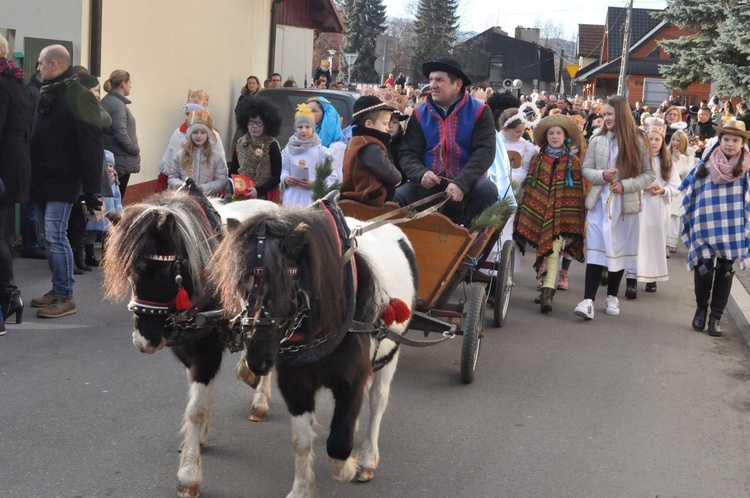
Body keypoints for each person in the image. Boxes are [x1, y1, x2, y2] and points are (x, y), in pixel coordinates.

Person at [29, 44, 103, 318]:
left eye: (39, 63)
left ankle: (65, 297)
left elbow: (92, 145)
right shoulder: (48, 92)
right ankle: (57, 289)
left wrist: (92, 190)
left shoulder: (78, 96)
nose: (37, 67)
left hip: (63, 180)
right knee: (46, 238)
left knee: (55, 236)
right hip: (41, 179)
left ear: (53, 65)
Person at [573, 95, 655, 320]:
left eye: (609, 114)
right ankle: (588, 300)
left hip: (625, 204)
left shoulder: (639, 139)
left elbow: (649, 175)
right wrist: (602, 175)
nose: (605, 118)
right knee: (597, 248)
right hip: (600, 201)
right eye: (604, 114)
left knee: (617, 248)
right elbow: (585, 169)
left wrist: (625, 185)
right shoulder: (598, 138)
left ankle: (612, 295)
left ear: (621, 114)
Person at [394, 57, 497, 226]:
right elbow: (407, 153)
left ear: (457, 84)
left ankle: (472, 248)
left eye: (439, 80)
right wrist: (421, 174)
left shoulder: (480, 112)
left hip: (468, 186)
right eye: (431, 80)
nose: (432, 85)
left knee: (487, 190)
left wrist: (461, 183)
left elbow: (485, 152)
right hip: (428, 187)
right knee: (398, 197)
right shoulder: (419, 114)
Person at [680, 119, 750, 336]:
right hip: (706, 222)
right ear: (720, 140)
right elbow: (689, 188)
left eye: (735, 140)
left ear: (742, 143)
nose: (730, 143)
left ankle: (716, 317)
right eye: (726, 139)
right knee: (704, 267)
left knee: (726, 270)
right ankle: (701, 310)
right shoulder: (706, 165)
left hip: (733, 225)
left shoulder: (746, 169)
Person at [513, 115, 586, 313]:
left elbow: (576, 193)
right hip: (540, 212)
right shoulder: (538, 159)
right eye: (551, 133)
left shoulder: (573, 162)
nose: (555, 137)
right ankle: (547, 288)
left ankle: (547, 293)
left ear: (565, 136)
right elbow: (532, 186)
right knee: (546, 250)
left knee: (552, 251)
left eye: (558, 133)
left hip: (561, 215)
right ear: (546, 137)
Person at [624, 118, 681, 296]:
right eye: (650, 138)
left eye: (657, 139)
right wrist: (643, 185)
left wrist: (663, 189)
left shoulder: (667, 162)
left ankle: (652, 278)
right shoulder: (637, 160)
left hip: (657, 208)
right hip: (640, 206)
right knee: (636, 242)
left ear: (662, 141)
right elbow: (628, 180)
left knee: (654, 243)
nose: (654, 142)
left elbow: (677, 186)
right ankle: (631, 280)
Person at [0, 34, 32, 328]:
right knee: (4, 235)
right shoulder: (16, 80)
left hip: (3, 169)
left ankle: (9, 296)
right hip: (15, 168)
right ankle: (10, 297)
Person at [158, 90, 227, 190]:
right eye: (187, 114)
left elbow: (221, 168)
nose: (199, 136)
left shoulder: (213, 136)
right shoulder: (177, 133)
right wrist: (163, 182)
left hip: (208, 192)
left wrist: (218, 189)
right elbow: (170, 164)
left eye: (192, 113)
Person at [340, 95, 403, 206]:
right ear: (369, 124)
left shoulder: (355, 141)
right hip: (368, 198)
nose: (387, 128)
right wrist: (398, 178)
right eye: (384, 124)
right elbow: (388, 171)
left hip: (355, 197)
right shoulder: (369, 145)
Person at [280, 103, 333, 207]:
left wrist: (316, 184)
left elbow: (331, 175)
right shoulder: (289, 149)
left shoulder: (321, 151)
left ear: (313, 128)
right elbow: (285, 170)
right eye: (300, 127)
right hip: (292, 196)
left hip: (311, 196)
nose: (304, 130)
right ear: (296, 129)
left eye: (307, 127)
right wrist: (286, 179)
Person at [230, 97, 283, 201]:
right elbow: (233, 170)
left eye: (259, 123)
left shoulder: (271, 144)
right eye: (252, 122)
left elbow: (276, 176)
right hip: (242, 195)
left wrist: (258, 191)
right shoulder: (241, 142)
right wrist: (234, 186)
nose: (254, 126)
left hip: (264, 196)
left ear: (266, 125)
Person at [168, 109, 228, 195]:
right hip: (186, 198)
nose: (199, 136)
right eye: (195, 132)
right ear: (190, 134)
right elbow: (172, 177)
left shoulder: (215, 156)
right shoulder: (181, 154)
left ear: (207, 135)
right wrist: (184, 186)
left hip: (208, 198)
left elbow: (222, 179)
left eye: (203, 132)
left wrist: (202, 189)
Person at [101, 69, 139, 198]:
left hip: (113, 157)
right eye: (129, 82)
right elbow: (120, 133)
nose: (131, 85)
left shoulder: (108, 100)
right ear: (123, 84)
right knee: (116, 201)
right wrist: (135, 149)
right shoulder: (118, 105)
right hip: (120, 160)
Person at [84, 150, 122, 266]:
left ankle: (106, 257)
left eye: (111, 166)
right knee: (92, 232)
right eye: (106, 166)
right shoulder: (96, 178)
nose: (109, 168)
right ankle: (89, 256)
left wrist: (118, 208)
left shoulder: (114, 179)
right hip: (97, 210)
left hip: (109, 212)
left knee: (107, 235)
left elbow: (117, 196)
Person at [667, 129, 695, 254]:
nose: (675, 142)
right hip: (668, 187)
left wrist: (681, 158)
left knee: (675, 215)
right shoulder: (667, 152)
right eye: (673, 139)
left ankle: (671, 243)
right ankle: (666, 243)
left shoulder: (688, 153)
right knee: (667, 214)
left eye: (678, 140)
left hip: (681, 189)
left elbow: (685, 172)